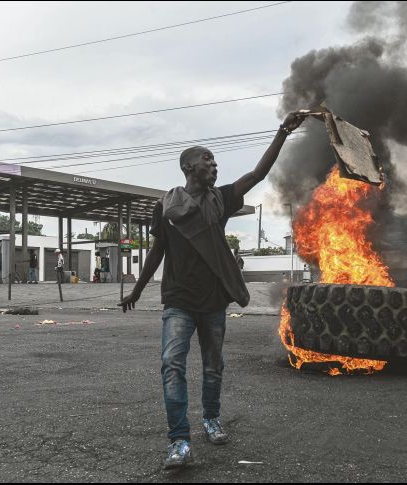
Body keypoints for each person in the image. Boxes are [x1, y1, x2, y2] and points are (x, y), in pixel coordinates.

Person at [119, 111, 308, 469]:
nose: (215, 166)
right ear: (189, 167)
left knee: (212, 366)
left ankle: (211, 418)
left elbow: (257, 174)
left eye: (216, 161)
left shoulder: (219, 200)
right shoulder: (167, 207)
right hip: (178, 301)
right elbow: (157, 252)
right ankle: (179, 442)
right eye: (208, 160)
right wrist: (137, 290)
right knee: (171, 365)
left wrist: (282, 132)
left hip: (213, 302)